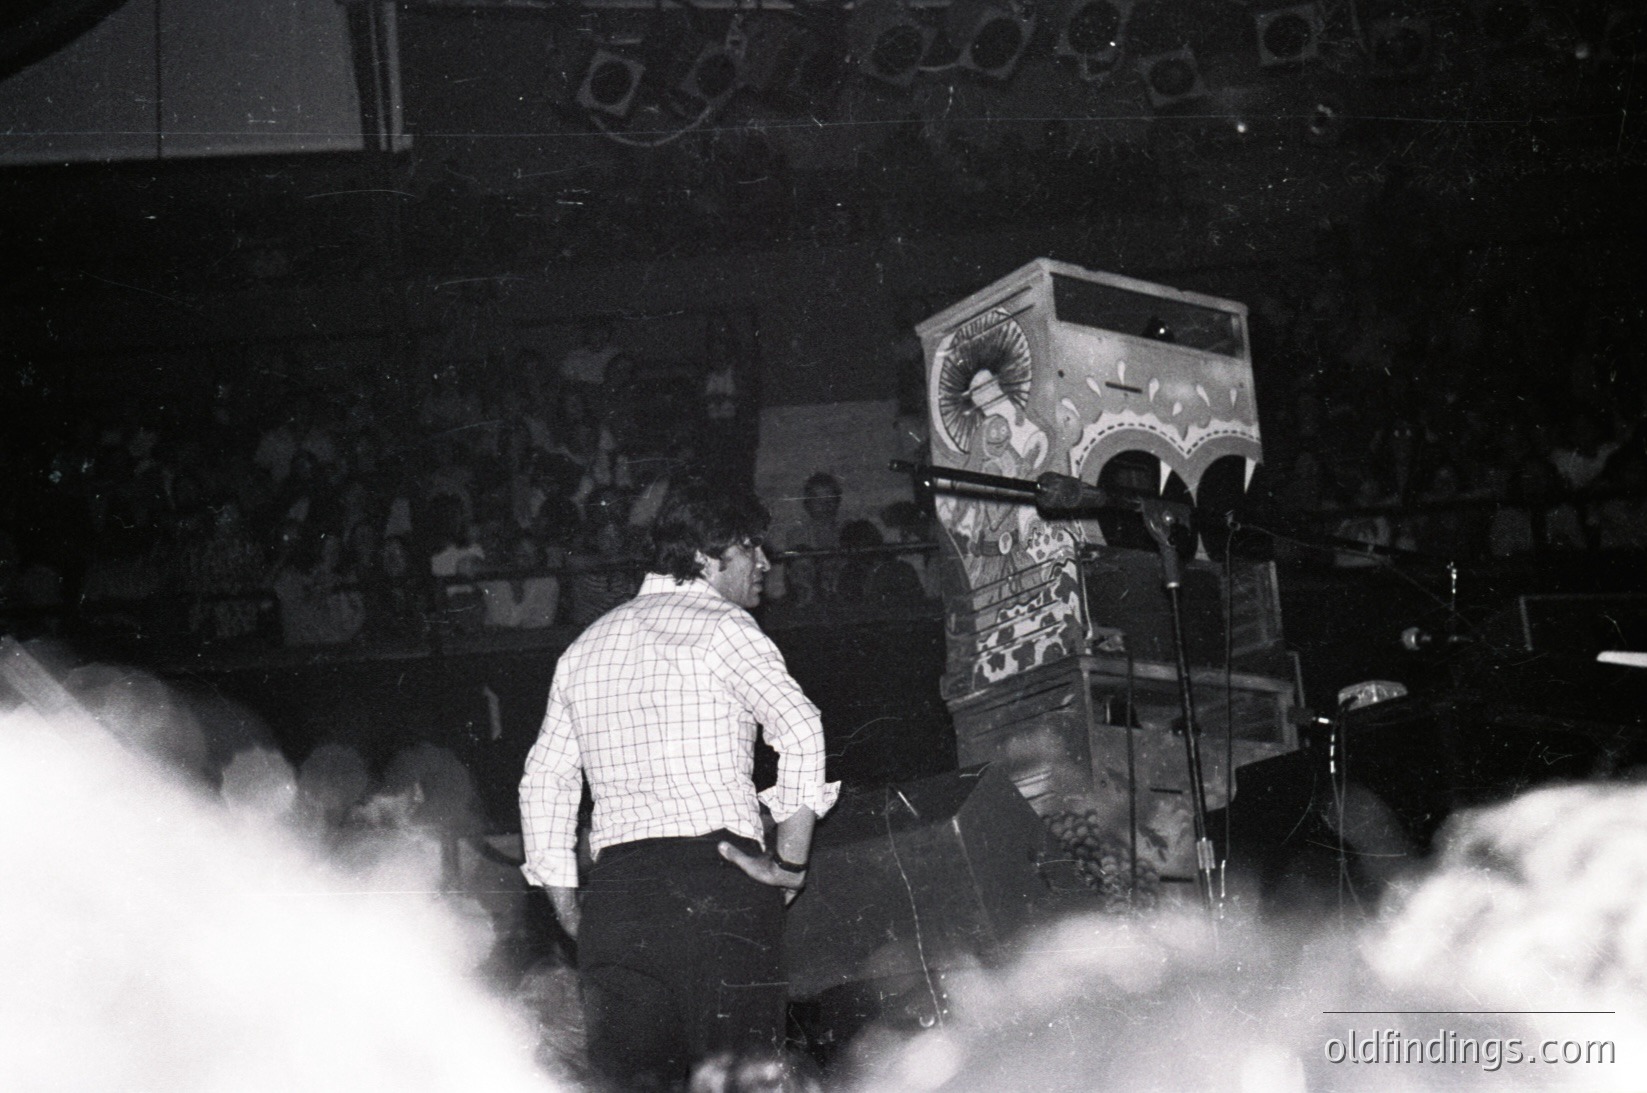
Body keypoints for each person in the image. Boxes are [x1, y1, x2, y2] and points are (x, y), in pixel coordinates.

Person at [518, 482, 838, 1091]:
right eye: (751, 548)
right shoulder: (727, 627)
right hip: (717, 886)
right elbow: (801, 729)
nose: (766, 563)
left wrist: (568, 906)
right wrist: (790, 865)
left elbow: (545, 781)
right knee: (742, 1084)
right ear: (706, 555)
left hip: (616, 901)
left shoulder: (586, 646)